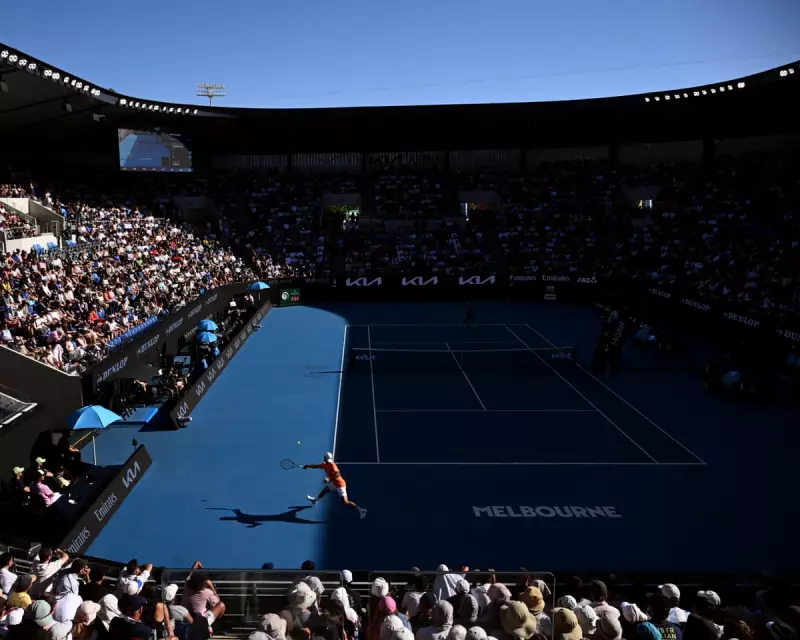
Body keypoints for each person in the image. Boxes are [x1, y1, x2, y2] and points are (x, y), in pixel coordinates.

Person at [304, 453, 367, 519]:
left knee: (345, 502)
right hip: (334, 483)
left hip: (340, 484)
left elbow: (337, 474)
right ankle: (315, 500)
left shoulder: (332, 465)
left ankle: (361, 510)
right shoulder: (325, 464)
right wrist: (308, 466)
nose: (326, 460)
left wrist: (328, 478)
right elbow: (316, 466)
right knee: (325, 490)